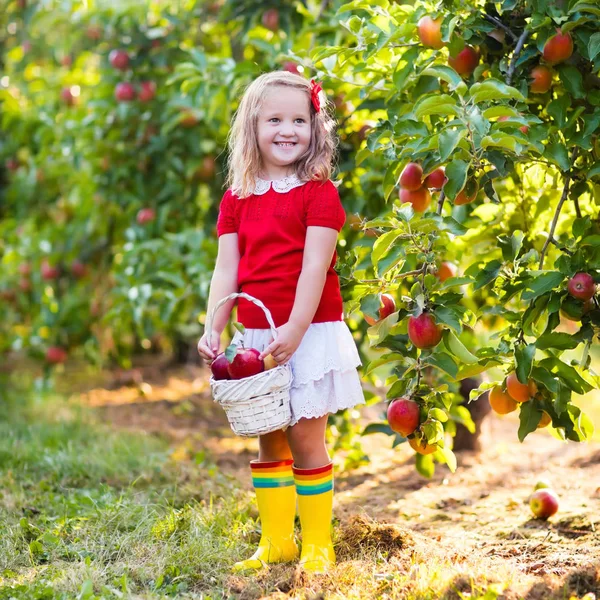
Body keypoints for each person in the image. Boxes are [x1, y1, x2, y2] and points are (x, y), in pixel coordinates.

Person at [197, 71, 364, 574]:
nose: (287, 130)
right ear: (252, 127)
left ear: (315, 128)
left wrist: (292, 329)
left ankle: (317, 543)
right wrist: (214, 326)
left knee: (307, 438)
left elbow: (315, 267)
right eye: (274, 119)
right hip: (257, 333)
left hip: (308, 331)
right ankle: (276, 541)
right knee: (269, 434)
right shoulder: (237, 197)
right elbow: (227, 268)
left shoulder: (319, 194)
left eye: (299, 120)